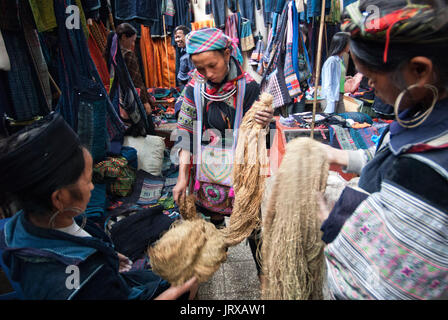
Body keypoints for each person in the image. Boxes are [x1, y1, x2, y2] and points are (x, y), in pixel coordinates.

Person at [318, 0, 448, 299]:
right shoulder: (424, 115)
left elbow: (378, 286)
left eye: (373, 79)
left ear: (419, 71)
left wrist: (322, 218)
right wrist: (337, 156)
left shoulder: (427, 173)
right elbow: (387, 159)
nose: (370, 88)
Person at [0, 112, 198, 300]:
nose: (92, 187)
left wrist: (106, 255)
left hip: (107, 274)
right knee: (186, 281)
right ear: (59, 198)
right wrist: (175, 292)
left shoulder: (15, 227)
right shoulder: (85, 276)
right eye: (87, 181)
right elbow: (84, 281)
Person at [172, 28, 273, 277]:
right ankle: (219, 251)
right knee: (213, 214)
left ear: (227, 54)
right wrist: (182, 177)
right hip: (207, 172)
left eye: (212, 65)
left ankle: (265, 276)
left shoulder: (249, 88)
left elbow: (260, 137)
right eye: (200, 68)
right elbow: (186, 133)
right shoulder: (194, 87)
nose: (207, 74)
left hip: (241, 173)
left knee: (251, 223)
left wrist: (264, 120)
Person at [116, 23, 153, 116]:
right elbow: (137, 80)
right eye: (132, 41)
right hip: (129, 98)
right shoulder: (127, 54)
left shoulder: (111, 52)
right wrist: (145, 102)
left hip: (116, 98)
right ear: (124, 37)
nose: (133, 44)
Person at [320, 32, 350, 114]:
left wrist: (345, 78)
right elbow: (328, 83)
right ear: (342, 44)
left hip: (339, 95)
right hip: (331, 97)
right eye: (349, 43)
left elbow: (336, 77)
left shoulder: (340, 60)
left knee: (341, 120)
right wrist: (331, 102)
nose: (350, 46)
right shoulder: (331, 61)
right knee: (332, 122)